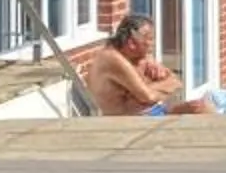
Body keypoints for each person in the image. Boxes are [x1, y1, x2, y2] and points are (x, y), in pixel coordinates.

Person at [77, 14, 212, 117]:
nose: (152, 45)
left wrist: (154, 86)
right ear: (131, 43)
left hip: (151, 113)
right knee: (198, 111)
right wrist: (161, 86)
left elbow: (176, 82)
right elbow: (148, 97)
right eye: (149, 40)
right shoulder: (112, 59)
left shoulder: (136, 55)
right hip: (126, 125)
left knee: (201, 107)